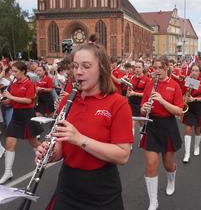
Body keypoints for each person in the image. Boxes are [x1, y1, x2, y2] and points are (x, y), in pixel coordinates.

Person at [36, 43, 133, 210]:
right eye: (75, 66)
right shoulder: (67, 101)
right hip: (68, 184)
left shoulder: (118, 103)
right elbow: (60, 146)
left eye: (86, 66)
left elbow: (122, 155)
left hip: (101, 190)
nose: (78, 72)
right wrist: (50, 153)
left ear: (102, 68)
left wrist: (79, 139)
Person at [140, 56, 184, 210]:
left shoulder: (175, 86)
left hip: (168, 126)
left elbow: (179, 111)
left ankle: (171, 179)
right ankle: (153, 201)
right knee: (151, 164)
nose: (156, 71)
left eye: (159, 68)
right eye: (154, 68)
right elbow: (141, 108)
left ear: (166, 67)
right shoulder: (149, 84)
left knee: (168, 165)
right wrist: (145, 107)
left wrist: (162, 101)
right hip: (152, 125)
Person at [0, 61, 43, 184]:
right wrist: (4, 101)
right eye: (12, 71)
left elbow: (28, 100)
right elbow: (10, 101)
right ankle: (8, 172)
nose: (13, 74)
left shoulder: (29, 84)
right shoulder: (14, 84)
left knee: (33, 142)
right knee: (9, 143)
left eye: (15, 71)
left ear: (23, 71)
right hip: (16, 116)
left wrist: (11, 97)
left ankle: (44, 159)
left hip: (27, 115)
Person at [182, 64, 201, 163]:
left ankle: (197, 147)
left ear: (199, 72)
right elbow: (183, 94)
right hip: (189, 108)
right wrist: (186, 96)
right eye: (192, 70)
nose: (194, 72)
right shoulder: (187, 80)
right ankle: (187, 154)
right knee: (188, 129)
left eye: (196, 70)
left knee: (197, 130)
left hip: (199, 107)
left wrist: (195, 99)